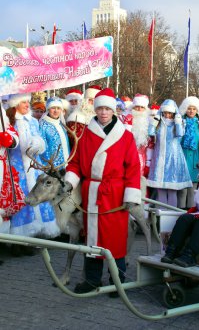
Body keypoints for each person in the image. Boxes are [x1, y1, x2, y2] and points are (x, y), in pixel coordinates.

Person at [64, 88, 141, 294]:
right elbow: (76, 162)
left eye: (107, 108)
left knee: (114, 238)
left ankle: (119, 281)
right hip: (92, 193)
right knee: (92, 238)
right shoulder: (86, 134)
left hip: (115, 193)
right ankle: (92, 279)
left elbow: (134, 168)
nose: (104, 113)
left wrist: (131, 196)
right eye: (100, 109)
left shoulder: (125, 137)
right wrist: (69, 182)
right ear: (95, 110)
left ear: (113, 110)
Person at [6, 93, 60, 238]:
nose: (27, 105)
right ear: (15, 104)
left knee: (39, 196)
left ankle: (39, 232)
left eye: (27, 102)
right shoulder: (8, 121)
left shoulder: (33, 121)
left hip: (35, 167)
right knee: (21, 200)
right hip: (18, 169)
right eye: (23, 102)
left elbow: (42, 144)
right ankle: (20, 236)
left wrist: (37, 143)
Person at [147, 99, 192, 208]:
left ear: (174, 113)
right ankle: (161, 217)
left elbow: (180, 134)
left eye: (169, 113)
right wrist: (154, 122)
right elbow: (150, 133)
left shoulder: (179, 122)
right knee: (160, 190)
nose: (167, 115)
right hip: (160, 158)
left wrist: (177, 123)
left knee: (172, 190)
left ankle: (171, 215)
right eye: (165, 113)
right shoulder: (159, 122)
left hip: (173, 158)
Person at [0, 102, 25, 233]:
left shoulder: (3, 122)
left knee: (4, 203)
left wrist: (10, 139)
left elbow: (15, 137)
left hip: (3, 168)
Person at [177, 96, 199, 208]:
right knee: (182, 191)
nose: (191, 111)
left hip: (195, 161)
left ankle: (190, 213)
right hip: (182, 159)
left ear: (197, 110)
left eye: (194, 109)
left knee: (192, 191)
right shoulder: (180, 123)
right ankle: (179, 212)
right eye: (189, 108)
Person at [39, 97, 70, 167]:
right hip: (53, 168)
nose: (56, 111)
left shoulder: (61, 124)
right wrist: (48, 166)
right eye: (53, 108)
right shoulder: (43, 126)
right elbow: (43, 149)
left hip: (66, 164)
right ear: (48, 109)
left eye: (58, 108)